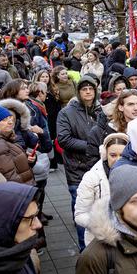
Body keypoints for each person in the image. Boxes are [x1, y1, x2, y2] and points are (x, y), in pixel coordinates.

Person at [56, 74, 105, 248]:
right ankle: (84, 250)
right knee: (81, 208)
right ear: (78, 92)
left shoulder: (101, 111)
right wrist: (91, 146)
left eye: (91, 89)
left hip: (99, 167)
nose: (88, 92)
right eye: (84, 89)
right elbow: (64, 139)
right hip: (77, 168)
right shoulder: (66, 113)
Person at [73, 132, 128, 238]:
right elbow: (80, 214)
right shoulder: (92, 178)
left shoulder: (136, 174)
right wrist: (102, 225)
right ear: (105, 155)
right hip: (100, 239)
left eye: (122, 155)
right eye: (113, 155)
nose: (117, 159)